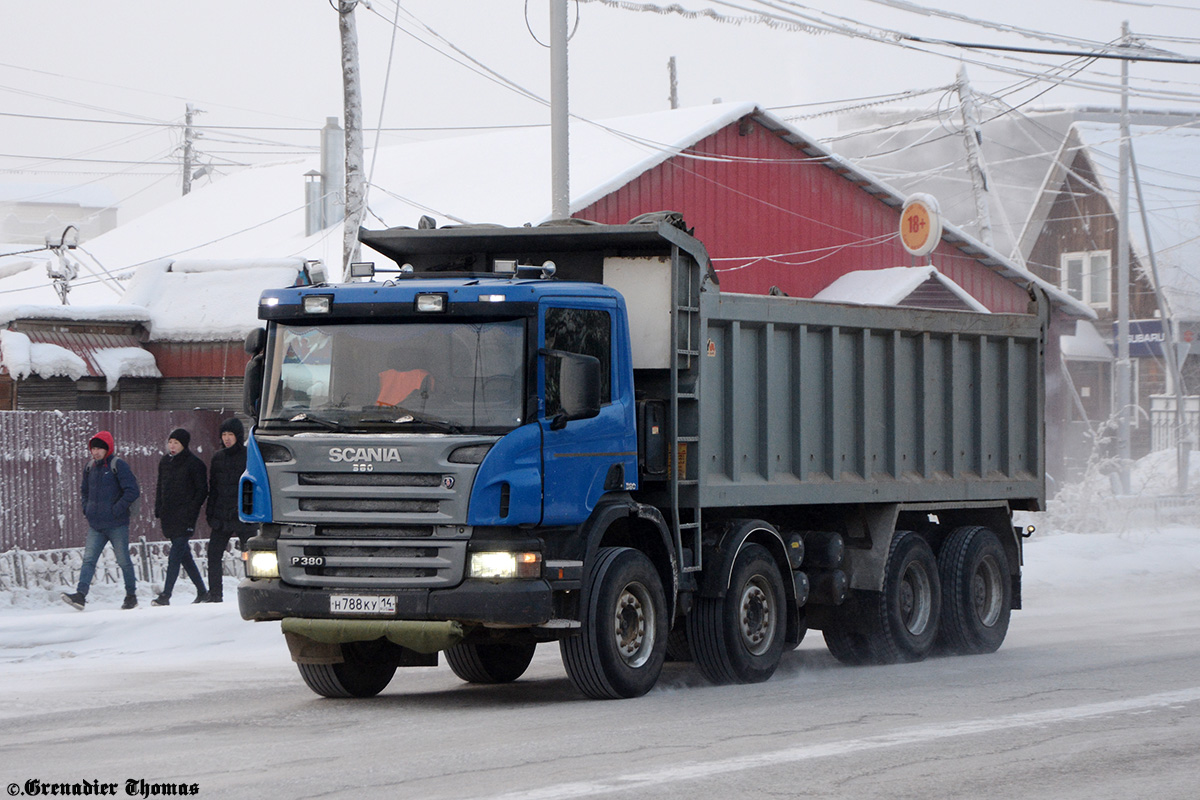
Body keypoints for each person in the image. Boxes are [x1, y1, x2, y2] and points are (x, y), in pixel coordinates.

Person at [62, 430, 141, 611]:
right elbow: (84, 491)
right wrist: (86, 508)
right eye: (93, 448)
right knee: (89, 560)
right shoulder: (90, 467)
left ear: (108, 449)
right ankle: (80, 595)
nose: (95, 452)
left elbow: (132, 491)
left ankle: (131, 596)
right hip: (96, 524)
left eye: (99, 448)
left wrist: (116, 510)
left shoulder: (118, 465)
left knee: (123, 560)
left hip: (117, 524)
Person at [151, 428, 209, 606]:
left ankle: (166, 595)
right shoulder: (165, 462)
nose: (172, 446)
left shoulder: (194, 464)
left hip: (185, 517)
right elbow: (161, 486)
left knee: (175, 556)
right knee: (185, 556)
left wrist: (191, 510)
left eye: (176, 443)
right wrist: (158, 507)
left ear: (184, 444)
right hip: (169, 515)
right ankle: (202, 592)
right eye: (170, 442)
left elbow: (201, 491)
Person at [204, 418, 255, 602]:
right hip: (221, 516)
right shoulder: (218, 458)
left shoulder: (249, 456)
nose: (226, 438)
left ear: (238, 436)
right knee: (214, 554)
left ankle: (255, 591)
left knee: (250, 557)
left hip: (244, 516)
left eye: (230, 435)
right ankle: (215, 594)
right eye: (224, 435)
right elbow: (214, 488)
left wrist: (251, 512)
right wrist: (210, 514)